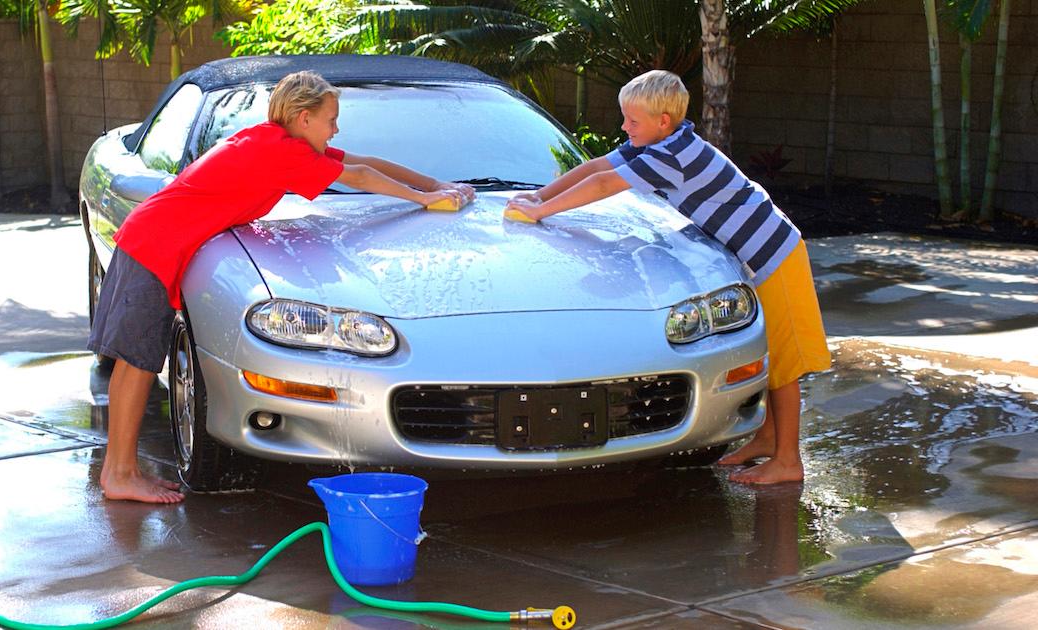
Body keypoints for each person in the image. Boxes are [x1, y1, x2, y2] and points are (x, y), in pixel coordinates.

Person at [89, 71, 473, 503]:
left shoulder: (271, 140)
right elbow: (361, 176)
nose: (336, 129)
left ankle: (121, 471)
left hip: (150, 238)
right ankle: (119, 475)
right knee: (138, 363)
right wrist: (425, 200)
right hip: (155, 245)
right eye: (331, 119)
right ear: (304, 118)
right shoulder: (281, 152)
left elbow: (368, 163)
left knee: (133, 362)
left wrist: (437, 185)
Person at [504, 70, 830, 484]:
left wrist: (540, 212)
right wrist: (539, 195)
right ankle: (768, 439)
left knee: (783, 365)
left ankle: (788, 461)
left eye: (632, 122)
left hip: (774, 255)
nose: (624, 128)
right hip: (754, 256)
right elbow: (599, 165)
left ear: (662, 121)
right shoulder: (662, 142)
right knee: (767, 353)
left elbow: (605, 183)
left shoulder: (673, 154)